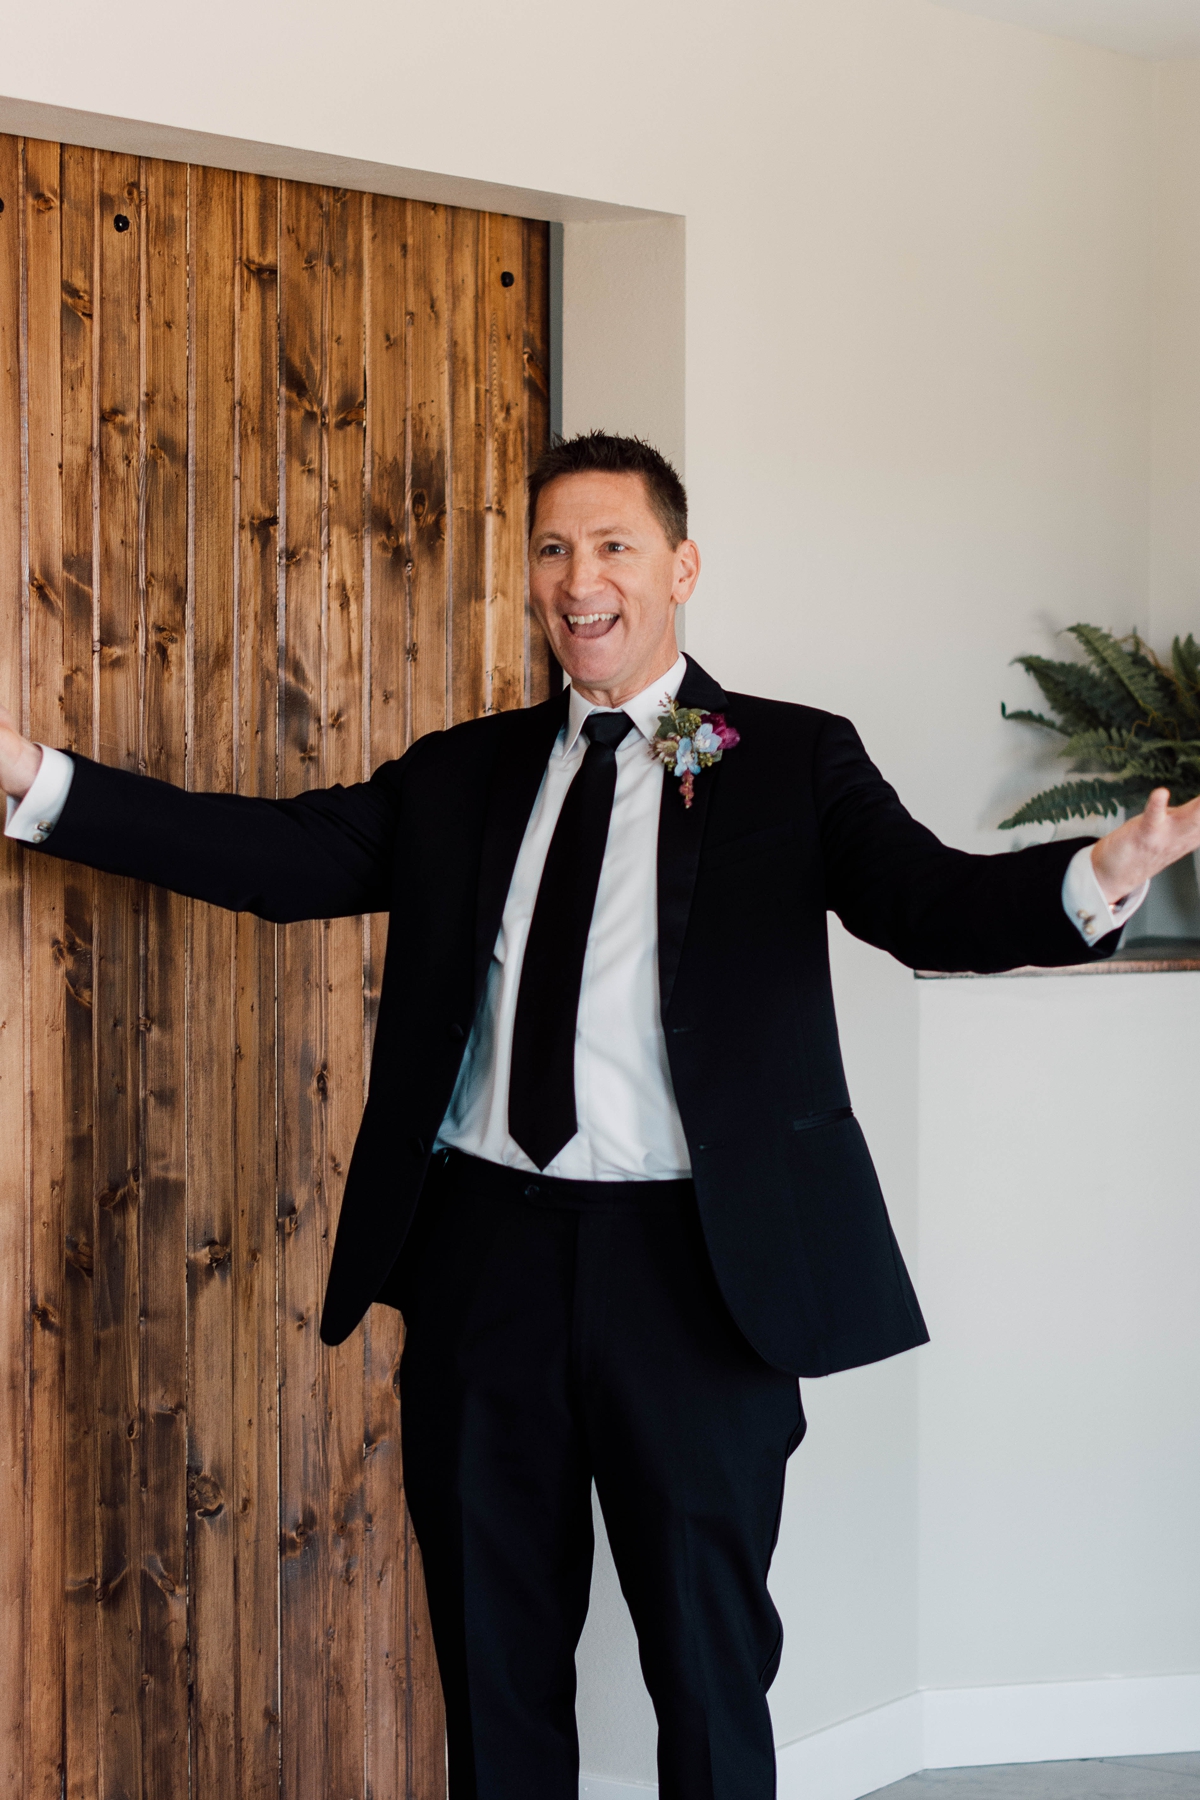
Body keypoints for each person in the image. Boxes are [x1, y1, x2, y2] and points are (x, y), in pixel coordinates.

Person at [3, 432, 1197, 1800]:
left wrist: (1099, 876)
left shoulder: (791, 762)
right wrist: (39, 778)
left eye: (615, 545)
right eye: (556, 549)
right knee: (494, 1664)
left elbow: (929, 903)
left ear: (680, 568)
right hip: (485, 1262)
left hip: (701, 1274)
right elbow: (278, 861)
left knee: (706, 1661)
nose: (583, 579)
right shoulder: (463, 773)